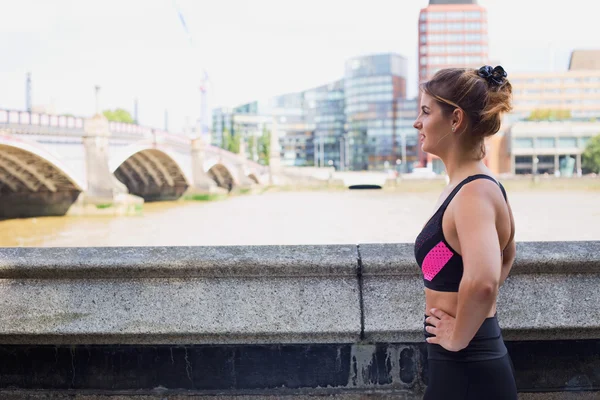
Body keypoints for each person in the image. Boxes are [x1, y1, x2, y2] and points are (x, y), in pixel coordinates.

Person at [412, 65, 518, 400]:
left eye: (426, 112)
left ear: (455, 119)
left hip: (468, 363)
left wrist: (457, 337)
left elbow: (484, 280)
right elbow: (507, 255)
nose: (418, 123)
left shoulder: (474, 193)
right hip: (461, 363)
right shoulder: (470, 186)